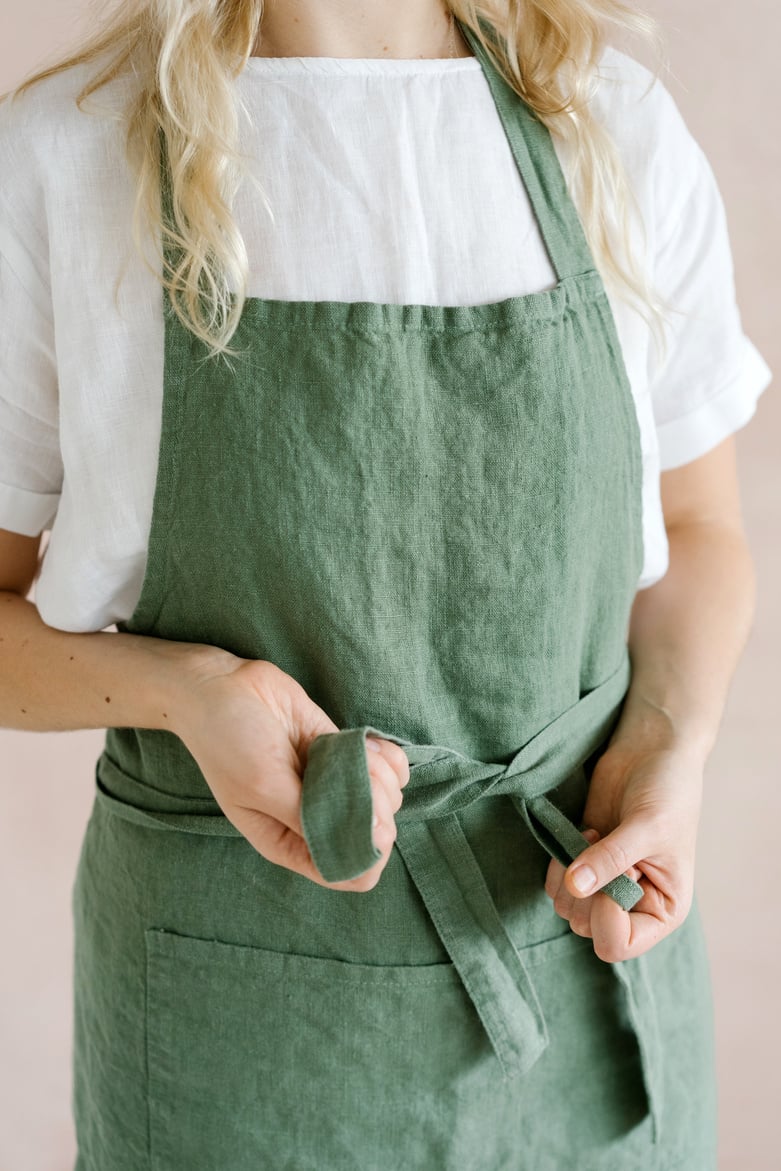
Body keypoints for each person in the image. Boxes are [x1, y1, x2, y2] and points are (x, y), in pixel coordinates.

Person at [0, 0, 771, 1167]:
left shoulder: (607, 127)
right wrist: (191, 692)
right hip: (237, 1029)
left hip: (572, 947)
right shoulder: (70, 154)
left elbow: (697, 524)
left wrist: (668, 740)